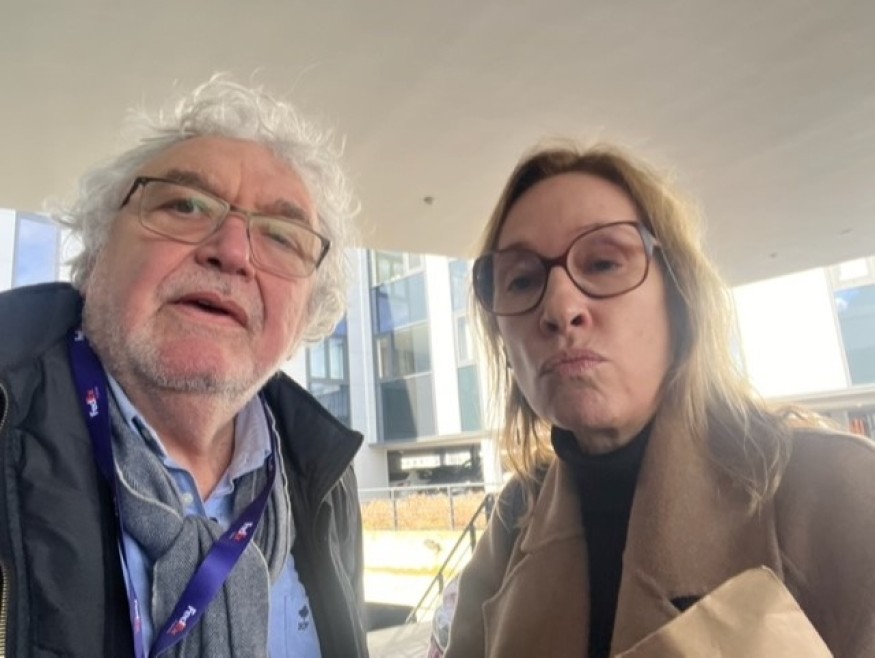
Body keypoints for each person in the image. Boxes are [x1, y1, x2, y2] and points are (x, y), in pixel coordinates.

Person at [444, 143, 875, 657]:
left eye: (604, 262)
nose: (559, 308)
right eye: (520, 280)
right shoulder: (513, 520)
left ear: (679, 296)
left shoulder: (836, 492)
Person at [0, 77, 369, 657]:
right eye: (185, 205)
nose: (234, 252)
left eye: (281, 237)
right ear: (94, 254)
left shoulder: (326, 482)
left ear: (304, 317)